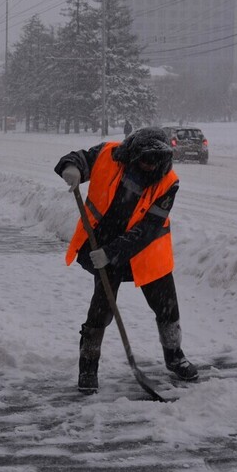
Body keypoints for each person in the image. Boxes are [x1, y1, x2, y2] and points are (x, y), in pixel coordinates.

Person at [55, 126, 198, 394]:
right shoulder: (108, 154)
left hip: (146, 249)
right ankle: (87, 367)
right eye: (145, 159)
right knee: (101, 309)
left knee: (167, 306)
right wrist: (71, 167)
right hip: (103, 240)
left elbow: (149, 227)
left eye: (156, 161)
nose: (149, 166)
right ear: (133, 154)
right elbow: (79, 158)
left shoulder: (169, 182)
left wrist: (114, 251)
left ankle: (175, 356)